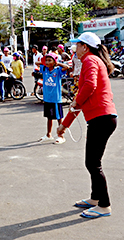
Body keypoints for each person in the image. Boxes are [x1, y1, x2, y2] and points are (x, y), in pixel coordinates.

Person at [57, 32, 117, 219]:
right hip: (102, 118)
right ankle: (95, 199)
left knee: (93, 163)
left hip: (102, 119)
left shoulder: (90, 61)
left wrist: (76, 101)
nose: (75, 49)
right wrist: (64, 126)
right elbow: (81, 101)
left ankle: (104, 205)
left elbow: (89, 87)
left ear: (86, 47)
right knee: (92, 162)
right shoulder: (93, 61)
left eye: (78, 45)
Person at [35, 53, 70, 144]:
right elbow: (36, 63)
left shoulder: (58, 70)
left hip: (56, 98)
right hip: (47, 98)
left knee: (59, 118)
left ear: (54, 62)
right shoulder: (44, 69)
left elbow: (66, 67)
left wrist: (58, 63)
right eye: (46, 60)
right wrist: (44, 61)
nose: (47, 62)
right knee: (49, 117)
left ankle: (61, 135)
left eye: (49, 60)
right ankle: (48, 135)